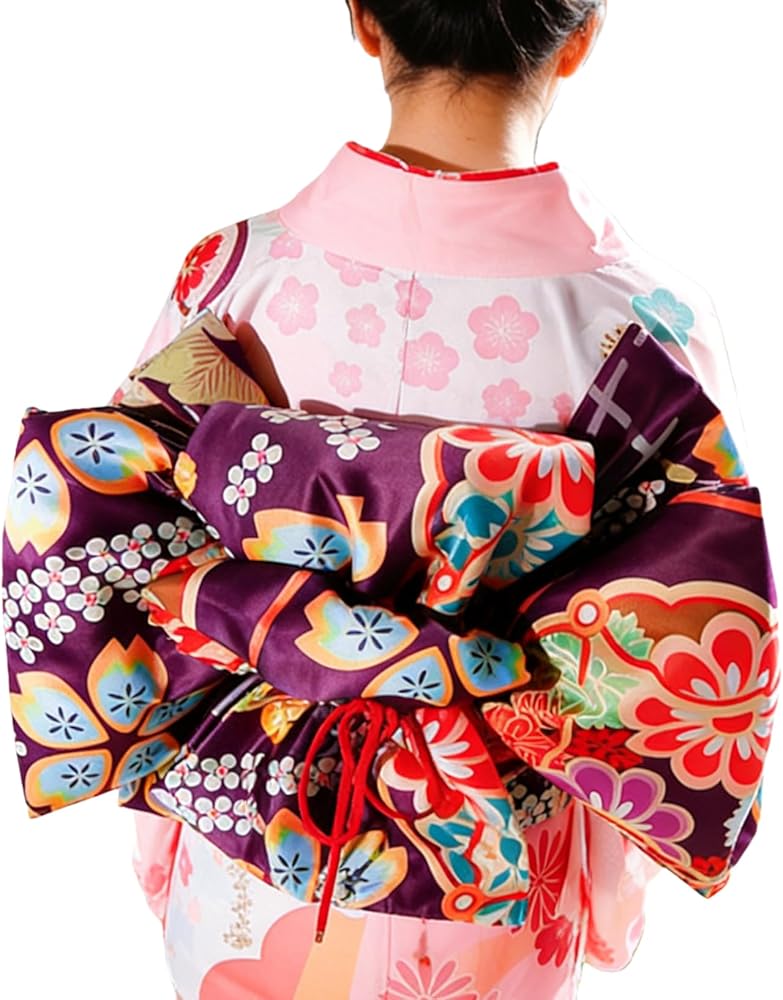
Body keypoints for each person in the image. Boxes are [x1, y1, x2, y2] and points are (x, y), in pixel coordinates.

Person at [125, 2, 749, 997]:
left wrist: (161, 839)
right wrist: (611, 896)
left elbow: (144, 560)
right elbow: (648, 654)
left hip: (253, 829)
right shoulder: (643, 323)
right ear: (579, 37)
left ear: (364, 21)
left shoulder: (235, 273)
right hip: (499, 855)